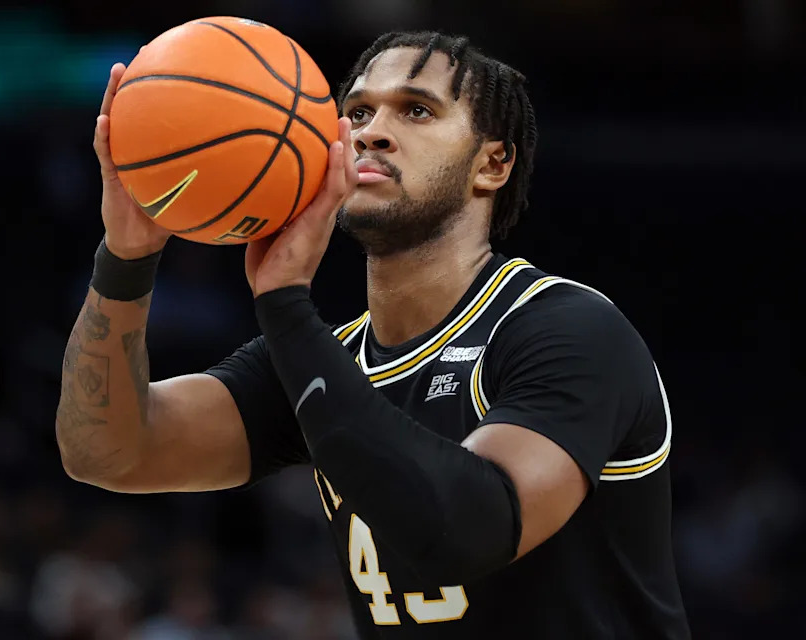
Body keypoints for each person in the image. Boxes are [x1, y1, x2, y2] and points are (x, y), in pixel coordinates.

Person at [56, 30, 691, 639]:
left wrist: (284, 305)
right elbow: (107, 451)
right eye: (356, 113)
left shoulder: (567, 328)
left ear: (492, 163)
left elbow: (466, 534)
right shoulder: (323, 357)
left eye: (416, 110)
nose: (372, 133)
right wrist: (126, 257)